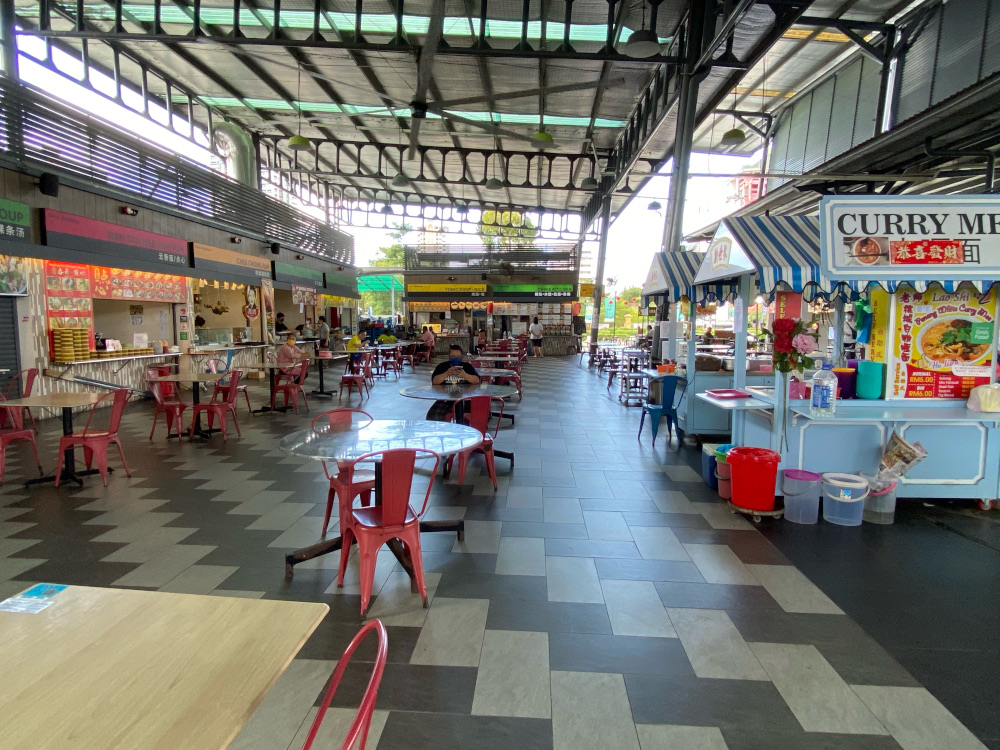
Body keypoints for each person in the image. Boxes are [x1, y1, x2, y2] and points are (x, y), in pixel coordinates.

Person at [426, 345, 480, 421]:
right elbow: (435, 381)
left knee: (479, 413)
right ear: (449, 356)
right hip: (446, 398)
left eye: (458, 356)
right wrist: (447, 373)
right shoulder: (442, 367)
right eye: (453, 356)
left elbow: (477, 380)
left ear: (461, 357)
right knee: (433, 416)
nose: (455, 358)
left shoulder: (467, 367)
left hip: (466, 398)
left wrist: (465, 375)